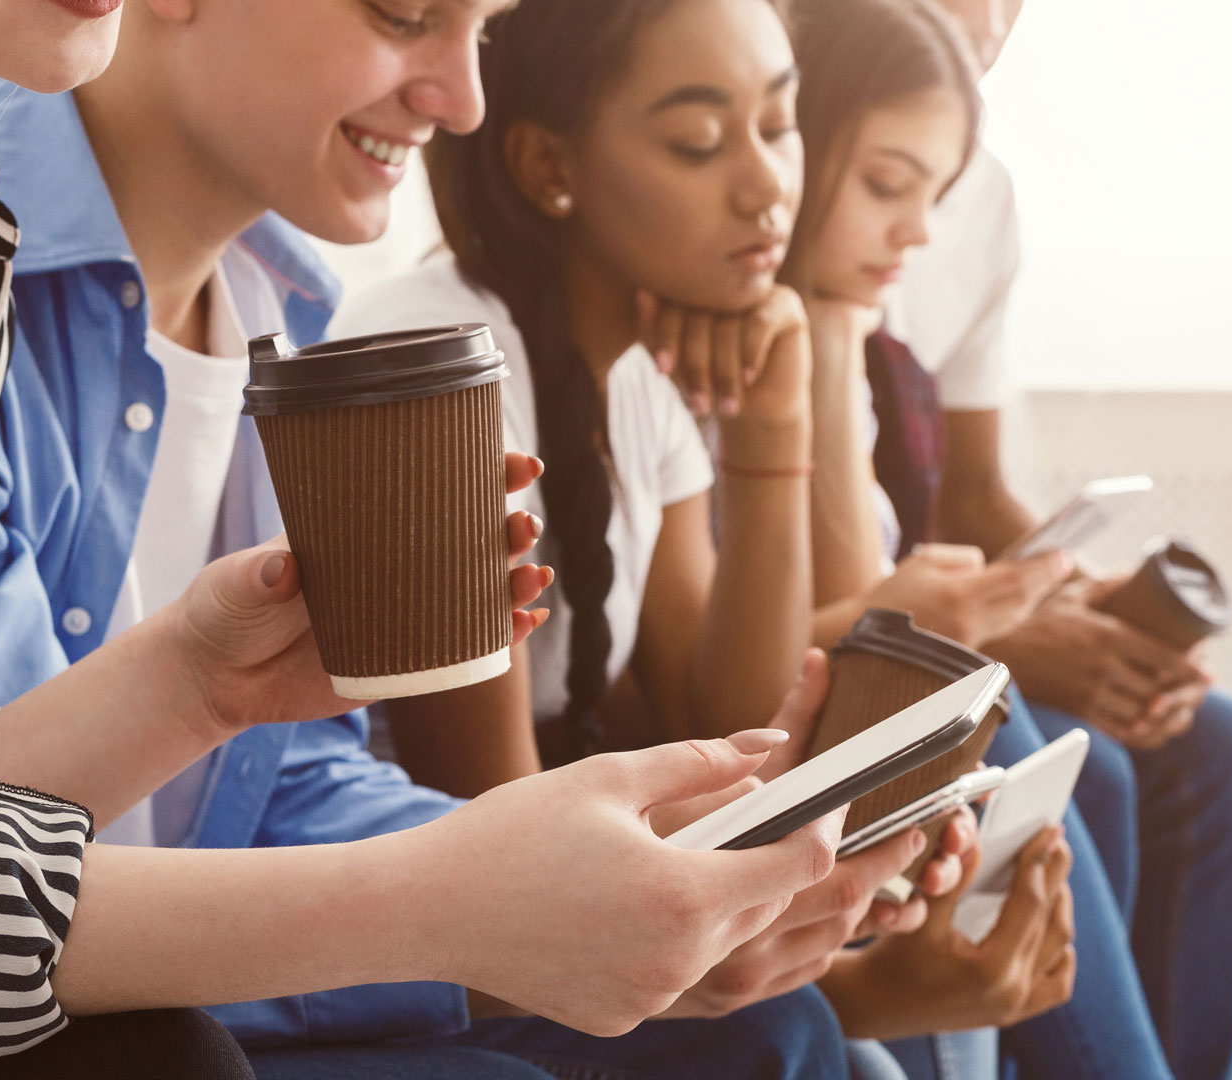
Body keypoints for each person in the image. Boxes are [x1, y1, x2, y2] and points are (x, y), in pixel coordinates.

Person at [0, 2, 855, 1077]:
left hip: (53, 978)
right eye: (402, 13)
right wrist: (458, 911)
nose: (463, 101)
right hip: (47, 1014)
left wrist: (200, 686)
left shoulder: (264, 306)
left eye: (480, 34)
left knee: (773, 1029)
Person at [341, 1, 1074, 1075]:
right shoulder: (435, 369)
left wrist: (774, 418)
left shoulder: (634, 380)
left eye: (779, 128)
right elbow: (494, 844)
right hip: (412, 918)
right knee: (813, 1036)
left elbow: (731, 720)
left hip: (529, 887)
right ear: (550, 164)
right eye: (697, 141)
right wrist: (856, 985)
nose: (767, 186)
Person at [873, 1, 1232, 1076]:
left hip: (955, 608)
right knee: (1083, 765)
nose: (987, 20)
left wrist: (1081, 598)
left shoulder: (985, 197)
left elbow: (972, 493)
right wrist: (1009, 638)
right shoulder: (778, 177)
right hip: (903, 632)